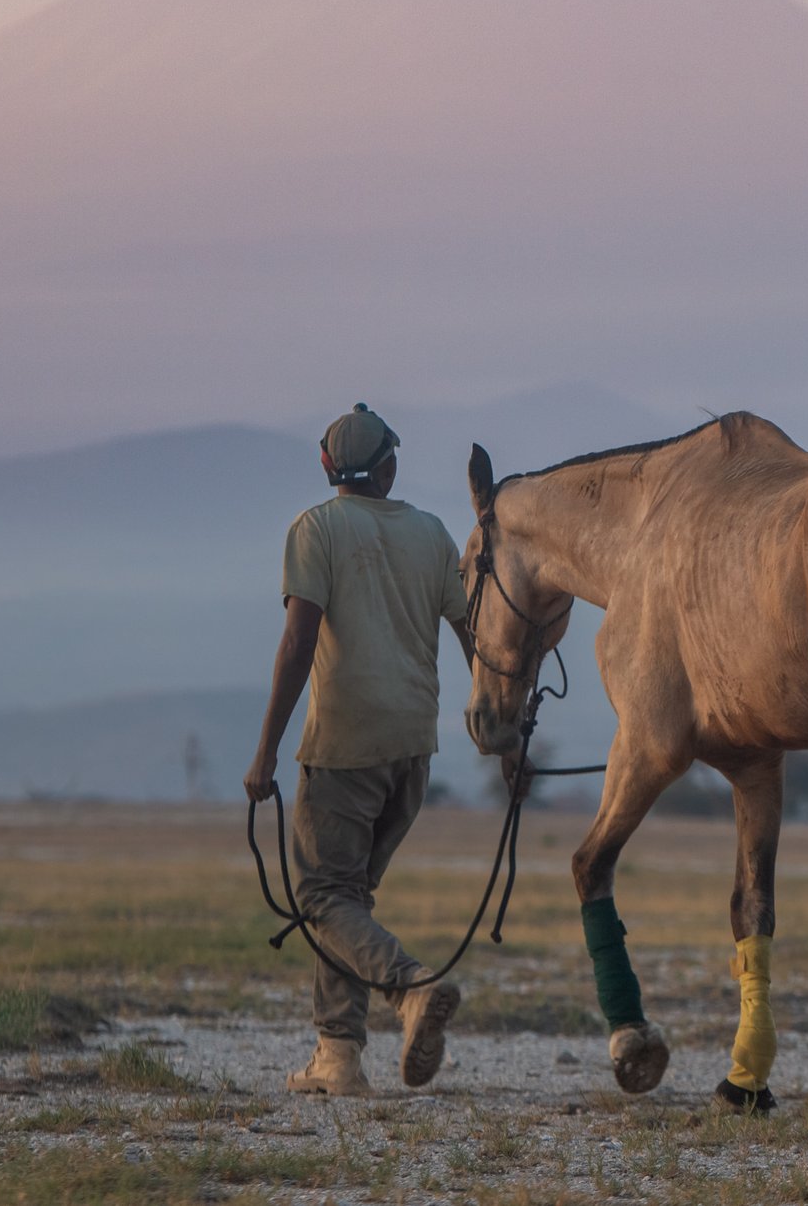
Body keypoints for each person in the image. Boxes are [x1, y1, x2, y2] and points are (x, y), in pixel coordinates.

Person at [245, 403, 475, 1097]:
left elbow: (297, 643)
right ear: (389, 468)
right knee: (347, 900)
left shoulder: (315, 529)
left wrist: (265, 753)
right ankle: (337, 1057)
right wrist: (503, 735)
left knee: (322, 894)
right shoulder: (432, 535)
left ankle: (410, 990)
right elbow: (476, 640)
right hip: (413, 749)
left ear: (325, 467)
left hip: (343, 745)